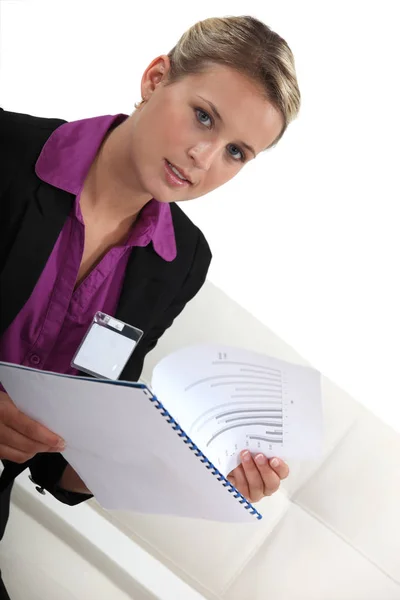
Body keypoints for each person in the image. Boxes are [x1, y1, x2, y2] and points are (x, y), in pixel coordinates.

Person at [0, 14, 301, 598]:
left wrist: (189, 467)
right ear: (156, 78)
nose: (202, 156)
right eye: (204, 116)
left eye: (236, 151)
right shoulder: (5, 153)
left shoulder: (181, 260)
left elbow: (63, 462)